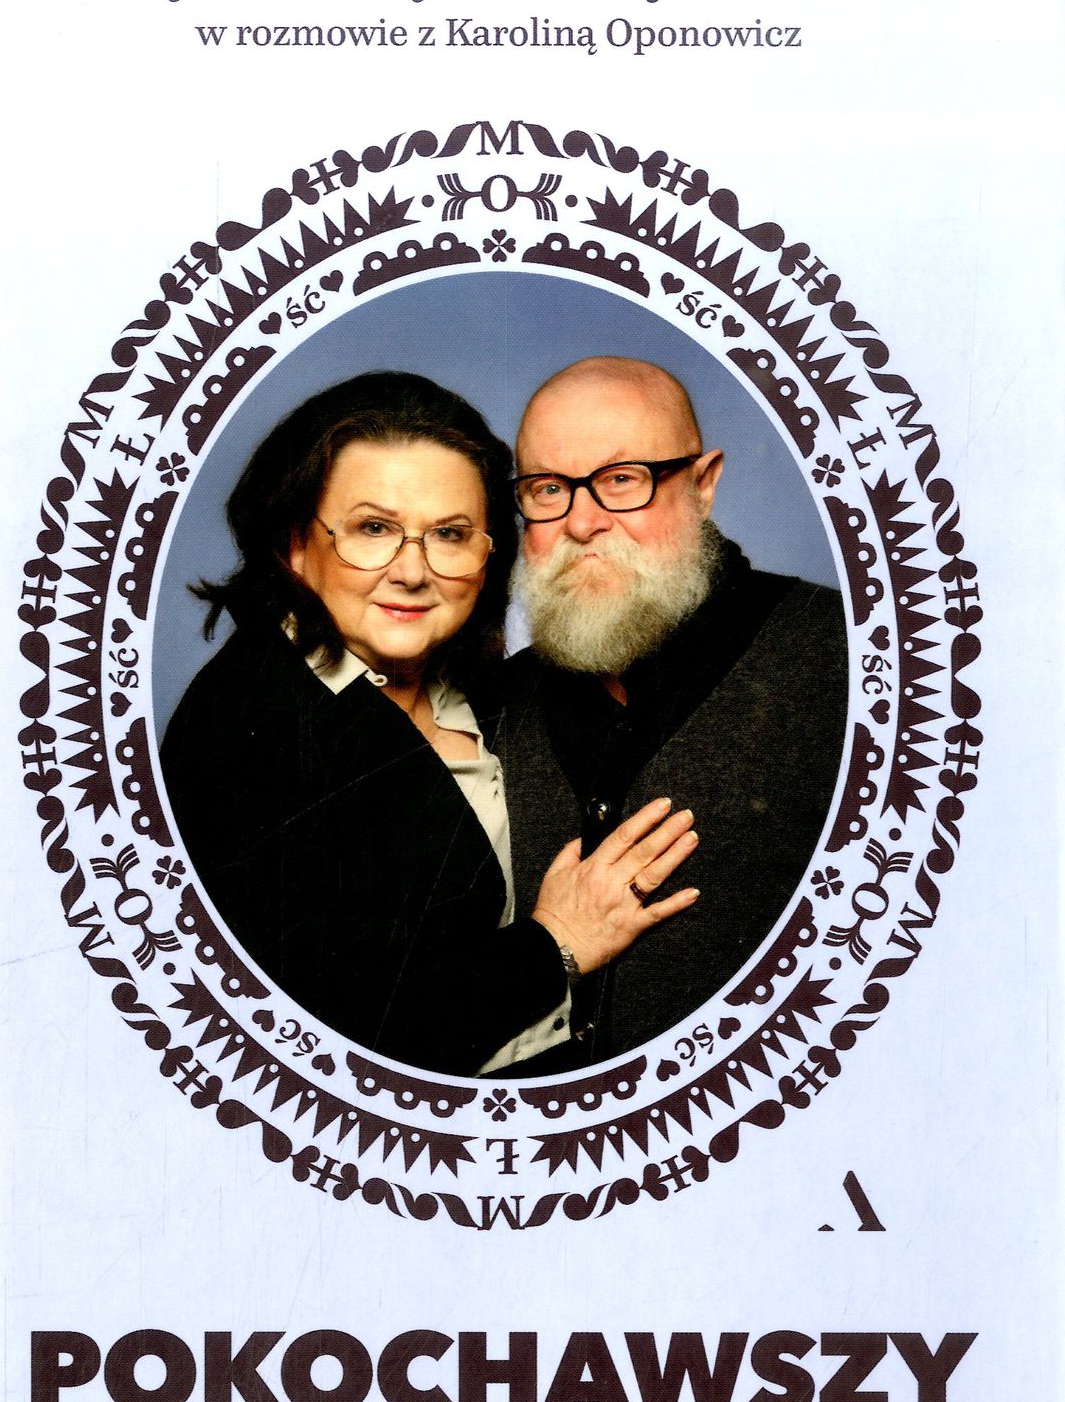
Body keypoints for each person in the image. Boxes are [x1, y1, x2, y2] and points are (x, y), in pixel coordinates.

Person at [160, 372, 699, 1077]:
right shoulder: (243, 727)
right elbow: (315, 1044)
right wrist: (557, 941)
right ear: (295, 545)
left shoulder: (473, 687)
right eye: (373, 529)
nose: (412, 572)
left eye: (449, 534)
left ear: (489, 553)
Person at [498, 355, 848, 1069]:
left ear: (703, 484)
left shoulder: (850, 659)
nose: (582, 522)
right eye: (548, 489)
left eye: (623, 480)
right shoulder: (492, 702)